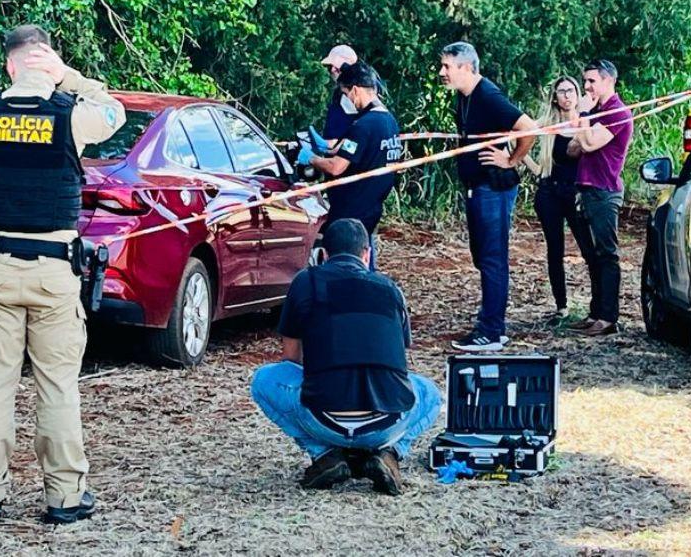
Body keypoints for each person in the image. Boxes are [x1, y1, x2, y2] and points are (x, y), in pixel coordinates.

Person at [0, 25, 126, 524]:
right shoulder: (72, 114)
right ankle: (64, 497)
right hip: (54, 269)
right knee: (57, 385)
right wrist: (71, 77)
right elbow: (115, 112)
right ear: (49, 66)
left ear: (9, 66)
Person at [250, 219, 441, 496]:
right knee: (432, 393)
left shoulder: (306, 282)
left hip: (323, 417)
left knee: (263, 380)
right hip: (387, 421)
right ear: (367, 254)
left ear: (324, 255)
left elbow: (290, 358)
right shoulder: (390, 289)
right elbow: (399, 360)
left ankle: (324, 453)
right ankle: (390, 453)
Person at [438, 42, 538, 352]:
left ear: (466, 68)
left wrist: (511, 160)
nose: (442, 72)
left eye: (447, 66)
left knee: (493, 259)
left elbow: (529, 128)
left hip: (493, 189)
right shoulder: (463, 97)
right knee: (483, 257)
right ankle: (492, 321)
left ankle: (492, 331)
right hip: (476, 187)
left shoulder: (488, 96)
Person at [297, 62, 403, 270]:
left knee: (344, 266)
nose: (346, 100)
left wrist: (312, 159)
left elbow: (337, 167)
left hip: (350, 212)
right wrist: (327, 147)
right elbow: (358, 150)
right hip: (372, 208)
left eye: (345, 93)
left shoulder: (363, 126)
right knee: (363, 261)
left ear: (354, 90)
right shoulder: (389, 122)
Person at [567, 60, 634, 337]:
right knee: (591, 255)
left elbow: (589, 144)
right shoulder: (596, 113)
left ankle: (608, 317)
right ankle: (596, 312)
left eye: (592, 81)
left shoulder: (617, 112)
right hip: (586, 189)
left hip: (604, 191)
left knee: (607, 255)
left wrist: (582, 118)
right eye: (585, 81)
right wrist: (584, 129)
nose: (586, 87)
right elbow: (573, 148)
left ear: (609, 81)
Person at [532, 76, 595, 321]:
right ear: (555, 97)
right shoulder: (548, 124)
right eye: (561, 91)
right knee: (554, 249)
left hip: (576, 193)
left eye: (571, 90)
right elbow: (521, 135)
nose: (567, 95)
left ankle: (597, 306)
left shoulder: (586, 123)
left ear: (578, 95)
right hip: (550, 192)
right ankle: (561, 306)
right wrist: (526, 163)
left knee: (587, 248)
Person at [319, 45, 361, 145]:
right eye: (330, 67)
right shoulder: (338, 93)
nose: (332, 70)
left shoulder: (359, 93)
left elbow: (359, 137)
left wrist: (336, 145)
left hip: (347, 155)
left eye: (337, 67)